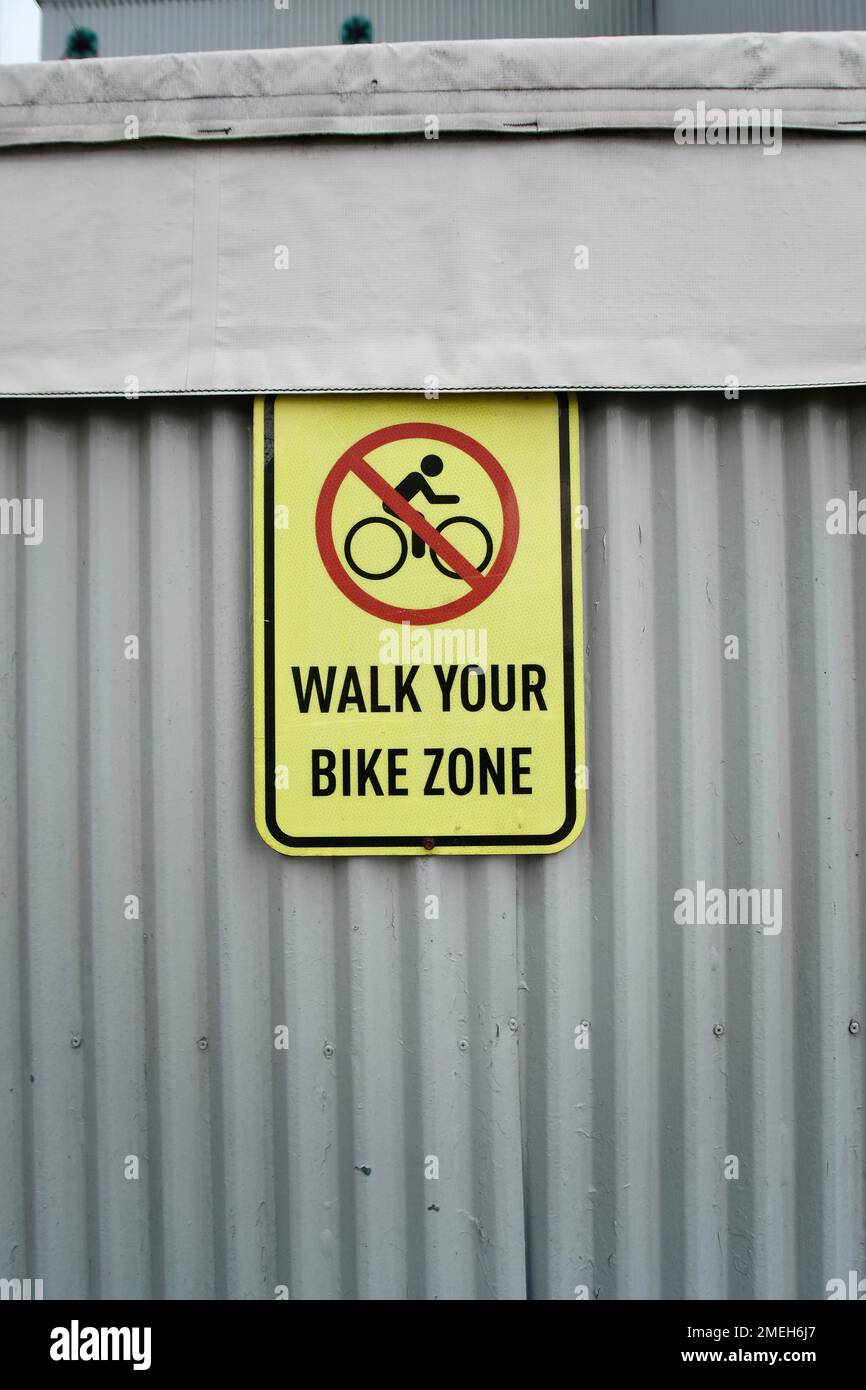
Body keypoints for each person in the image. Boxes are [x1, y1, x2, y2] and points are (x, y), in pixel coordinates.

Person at [384, 455, 459, 557]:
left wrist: (453, 499)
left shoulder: (416, 476)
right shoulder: (417, 478)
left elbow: (432, 499)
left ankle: (418, 552)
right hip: (391, 505)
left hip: (392, 504)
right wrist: (454, 499)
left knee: (418, 517)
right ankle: (418, 553)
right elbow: (432, 499)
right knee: (418, 518)